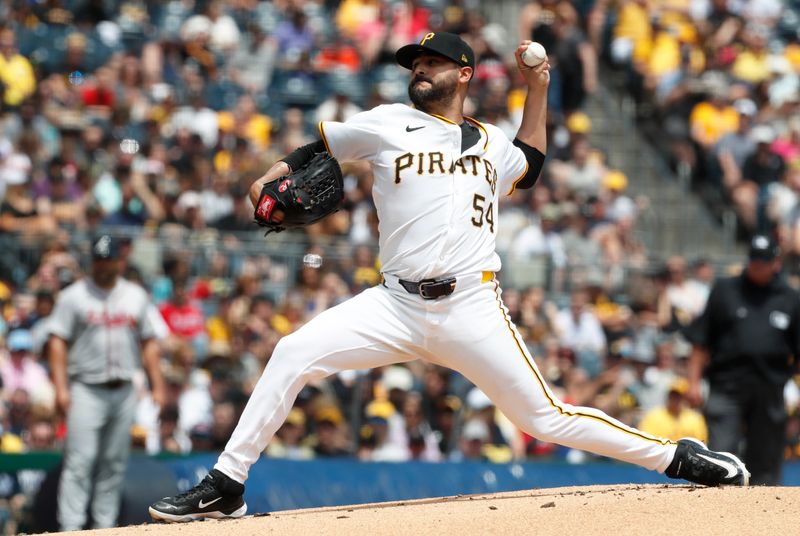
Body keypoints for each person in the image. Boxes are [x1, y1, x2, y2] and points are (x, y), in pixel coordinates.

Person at [149, 32, 749, 523]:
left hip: (472, 308)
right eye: (416, 63)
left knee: (543, 418)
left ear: (464, 74)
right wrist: (268, 177)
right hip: (394, 305)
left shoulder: (490, 143)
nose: (420, 70)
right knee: (293, 351)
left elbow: (531, 163)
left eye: (433, 62)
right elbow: (317, 148)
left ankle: (677, 457)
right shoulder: (387, 122)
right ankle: (226, 482)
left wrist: (537, 88)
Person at [48, 235, 165, 530]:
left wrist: (158, 385)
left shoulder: (135, 295)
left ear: (119, 260)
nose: (102, 265)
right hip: (86, 387)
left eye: (108, 259)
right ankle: (71, 528)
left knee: (113, 463)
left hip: (124, 389)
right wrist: (61, 389)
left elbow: (149, 342)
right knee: (80, 461)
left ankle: (104, 527)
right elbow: (57, 342)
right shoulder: (74, 296)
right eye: (98, 260)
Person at [685, 234, 800, 485]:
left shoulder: (790, 298)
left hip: (770, 387)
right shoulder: (725, 291)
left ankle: (761, 518)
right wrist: (693, 382)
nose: (758, 264)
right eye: (754, 259)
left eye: (764, 260)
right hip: (727, 385)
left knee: (766, 460)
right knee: (721, 454)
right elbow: (701, 341)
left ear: (776, 263)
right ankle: (717, 511)